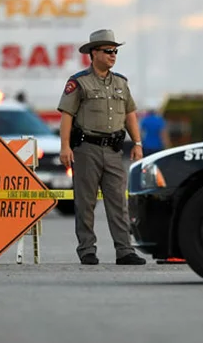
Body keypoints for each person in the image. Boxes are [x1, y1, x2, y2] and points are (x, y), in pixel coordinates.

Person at [57, 29, 146, 266]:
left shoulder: (120, 82)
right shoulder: (79, 83)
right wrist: (65, 147)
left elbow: (130, 114)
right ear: (93, 53)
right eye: (108, 51)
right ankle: (87, 249)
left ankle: (124, 250)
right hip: (87, 148)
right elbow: (67, 115)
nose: (113, 55)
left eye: (115, 51)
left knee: (118, 202)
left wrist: (137, 143)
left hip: (114, 150)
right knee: (85, 202)